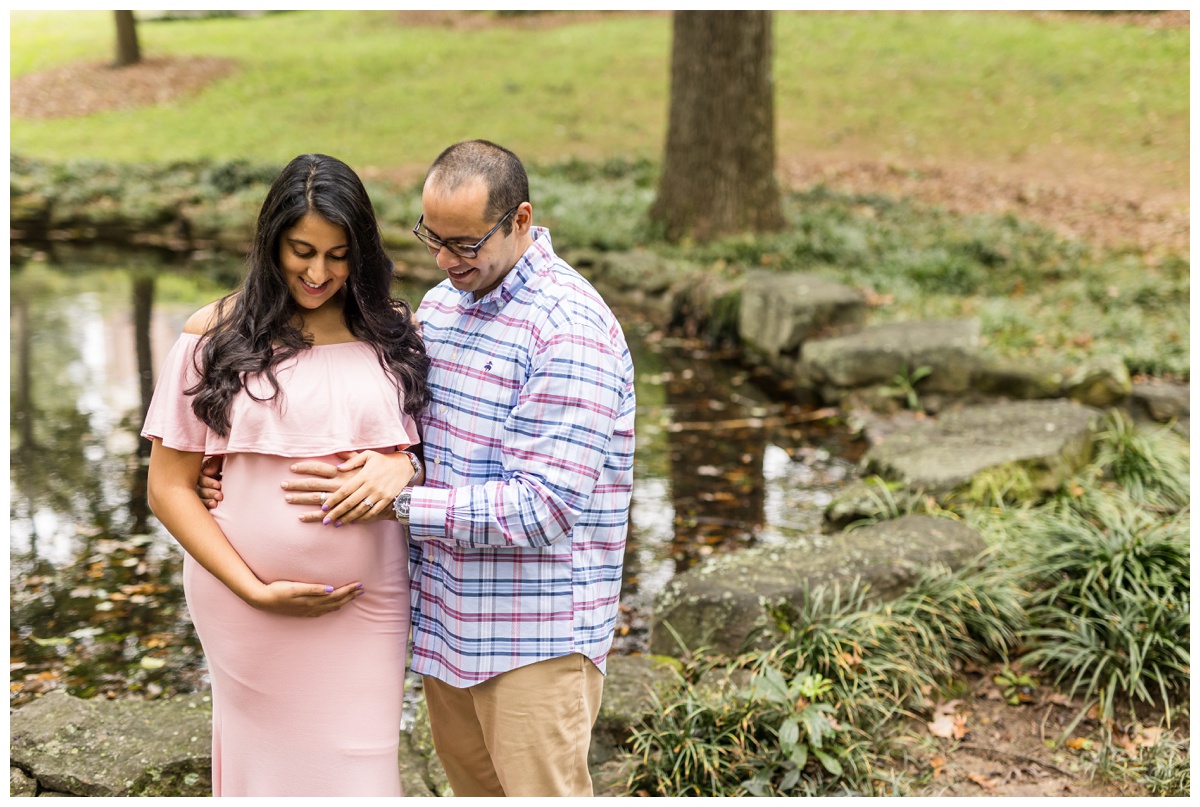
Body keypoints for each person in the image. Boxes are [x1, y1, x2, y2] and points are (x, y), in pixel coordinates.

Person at [200, 139, 637, 797]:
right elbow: (409, 438)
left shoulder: (568, 328)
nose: (443, 258)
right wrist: (237, 478)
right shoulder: (441, 307)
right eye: (433, 236)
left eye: (465, 244)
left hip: (533, 637)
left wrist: (400, 501)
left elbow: (543, 506)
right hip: (448, 625)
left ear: (520, 220)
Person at [143, 153, 430, 797]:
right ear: (271, 241)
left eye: (338, 254)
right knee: (266, 775)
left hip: (369, 598)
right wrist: (252, 589)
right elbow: (167, 488)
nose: (318, 272)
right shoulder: (212, 335)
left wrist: (401, 463)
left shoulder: (394, 332)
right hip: (244, 602)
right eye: (302, 251)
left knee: (362, 768)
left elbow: (440, 452)